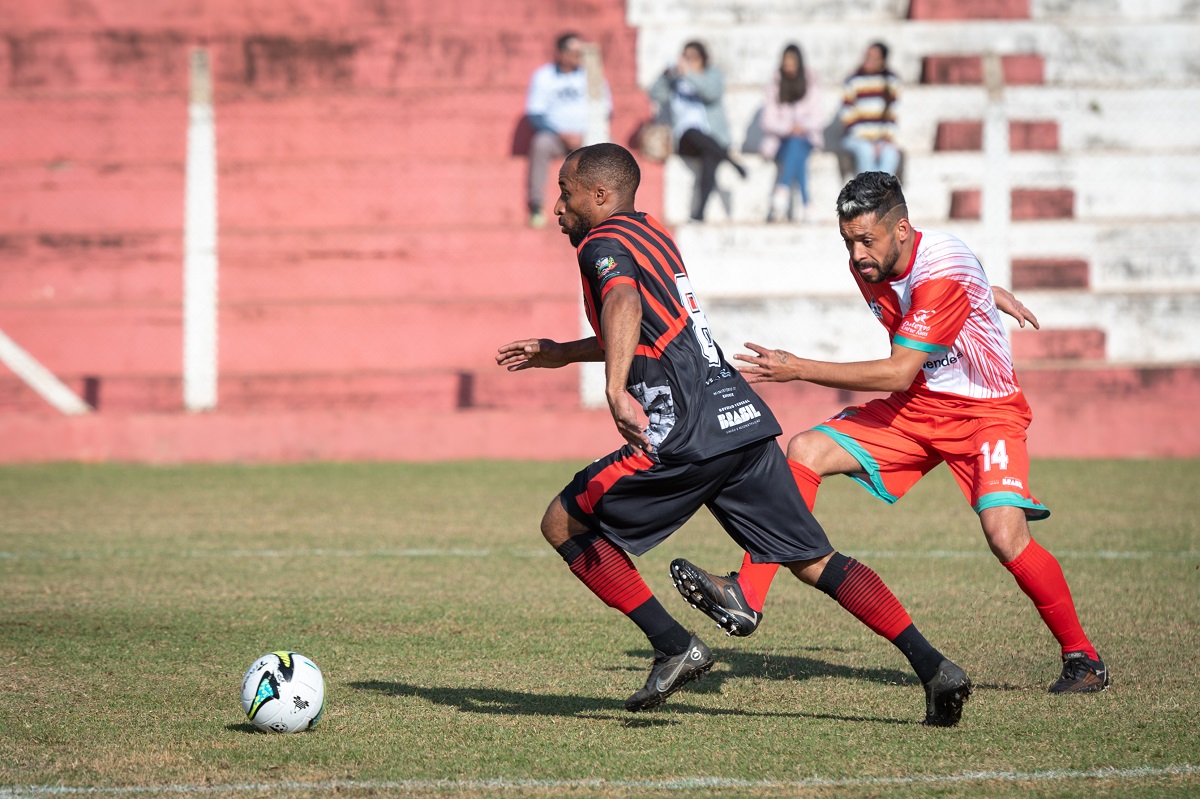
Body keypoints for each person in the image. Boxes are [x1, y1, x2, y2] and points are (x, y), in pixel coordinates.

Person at [495, 143, 971, 725]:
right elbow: (649, 323)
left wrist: (616, 389)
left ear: (599, 195)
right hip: (739, 421)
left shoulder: (601, 244)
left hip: (686, 431)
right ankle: (935, 667)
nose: (558, 203)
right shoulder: (653, 235)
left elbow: (620, 301)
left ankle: (674, 645)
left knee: (561, 522)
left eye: (565, 192)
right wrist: (563, 353)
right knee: (813, 559)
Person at [670, 171, 1110, 696]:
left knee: (1005, 536)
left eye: (865, 240)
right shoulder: (877, 263)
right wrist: (984, 289)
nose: (856, 254)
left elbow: (901, 363)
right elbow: (926, 303)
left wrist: (798, 366)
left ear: (902, 228)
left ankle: (1083, 658)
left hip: (985, 415)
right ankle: (747, 593)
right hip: (919, 407)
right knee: (805, 449)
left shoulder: (942, 267)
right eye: (848, 241)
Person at [648, 41, 746, 222]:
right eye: (686, 57)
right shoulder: (674, 80)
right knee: (693, 131)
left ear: (703, 59)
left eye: (693, 58)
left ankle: (699, 213)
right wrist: (665, 75)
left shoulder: (712, 75)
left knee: (710, 159)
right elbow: (655, 94)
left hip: (712, 138)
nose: (688, 61)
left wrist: (690, 75)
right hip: (685, 138)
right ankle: (730, 159)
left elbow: (712, 93)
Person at [524, 32, 612, 229]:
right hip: (556, 137)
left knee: (608, 147)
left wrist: (586, 133)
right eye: (574, 53)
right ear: (561, 54)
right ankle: (537, 206)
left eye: (581, 53)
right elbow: (535, 115)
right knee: (540, 143)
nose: (578, 57)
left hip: (587, 137)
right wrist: (562, 134)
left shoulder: (592, 76)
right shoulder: (544, 76)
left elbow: (606, 110)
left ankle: (605, 208)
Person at [760, 43, 824, 223]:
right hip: (780, 142)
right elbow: (767, 120)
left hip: (806, 138)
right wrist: (788, 128)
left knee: (797, 146)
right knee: (796, 152)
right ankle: (807, 204)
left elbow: (819, 117)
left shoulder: (811, 82)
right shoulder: (775, 84)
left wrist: (801, 126)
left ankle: (781, 190)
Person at [840, 42, 901, 176]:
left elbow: (893, 114)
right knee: (865, 151)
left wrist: (885, 139)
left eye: (873, 57)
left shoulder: (891, 81)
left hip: (881, 139)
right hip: (857, 138)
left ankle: (882, 194)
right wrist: (867, 140)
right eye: (867, 56)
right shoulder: (853, 80)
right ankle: (867, 194)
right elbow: (847, 115)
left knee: (891, 154)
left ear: (882, 61)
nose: (868, 60)